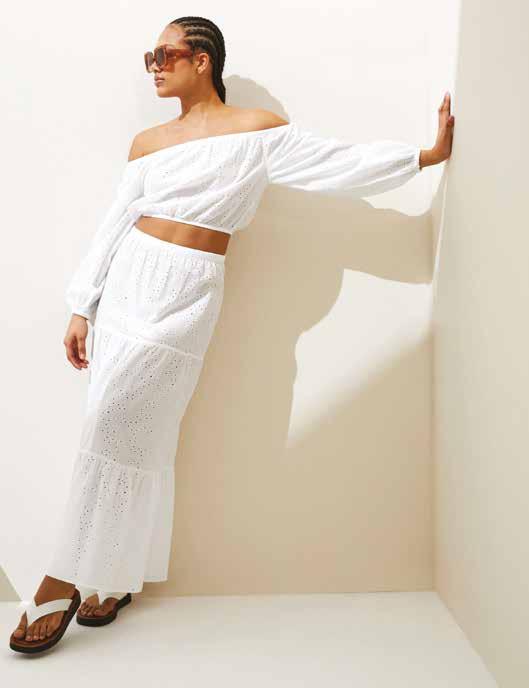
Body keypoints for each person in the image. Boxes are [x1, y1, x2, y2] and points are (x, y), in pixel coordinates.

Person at [10, 15, 454, 654]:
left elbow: (336, 163)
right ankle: (97, 575)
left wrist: (422, 157)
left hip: (189, 293)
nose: (154, 66)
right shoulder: (148, 142)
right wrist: (83, 306)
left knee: (132, 430)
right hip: (130, 284)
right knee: (115, 426)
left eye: (164, 54)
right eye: (149, 58)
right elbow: (115, 222)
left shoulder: (255, 131)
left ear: (203, 60)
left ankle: (79, 576)